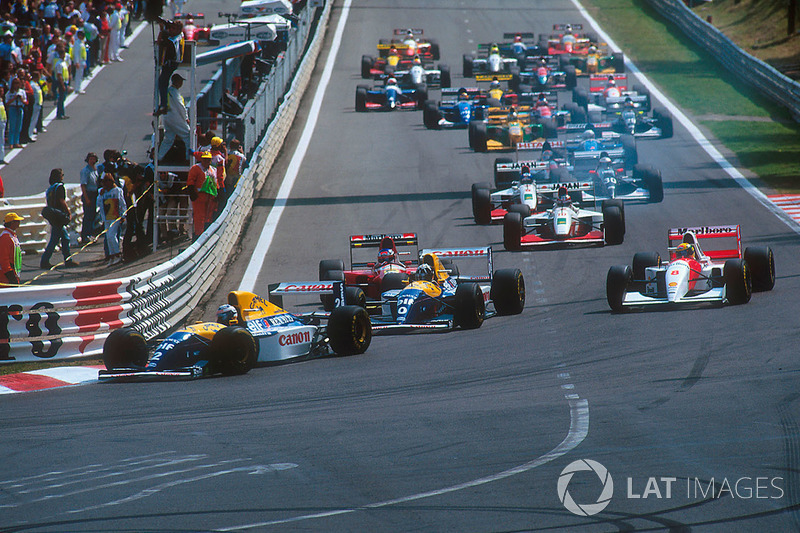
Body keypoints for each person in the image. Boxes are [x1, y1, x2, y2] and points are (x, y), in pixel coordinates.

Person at [41, 168, 76, 269]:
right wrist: (68, 212)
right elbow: (62, 200)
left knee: (65, 238)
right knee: (55, 239)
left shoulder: (50, 189)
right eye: (62, 175)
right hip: (59, 215)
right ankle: (45, 261)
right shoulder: (60, 187)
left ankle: (68, 259)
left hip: (52, 215)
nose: (63, 177)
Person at [186, 151, 220, 239]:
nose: (206, 161)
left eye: (208, 159)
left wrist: (216, 195)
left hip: (211, 197)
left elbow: (215, 183)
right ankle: (198, 236)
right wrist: (193, 194)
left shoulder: (213, 169)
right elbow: (190, 182)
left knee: (209, 216)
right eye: (204, 159)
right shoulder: (196, 168)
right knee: (199, 217)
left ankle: (207, 234)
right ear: (201, 159)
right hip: (199, 197)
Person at [157, 72, 191, 162]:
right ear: (177, 81)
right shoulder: (174, 92)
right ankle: (189, 158)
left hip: (167, 118)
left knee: (168, 138)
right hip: (175, 117)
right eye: (180, 81)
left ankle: (159, 157)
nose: (181, 83)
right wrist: (186, 117)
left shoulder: (168, 91)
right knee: (188, 135)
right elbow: (180, 106)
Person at [96, 171, 126, 265]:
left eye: (109, 181)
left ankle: (117, 254)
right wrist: (100, 194)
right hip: (106, 218)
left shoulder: (118, 190)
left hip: (115, 216)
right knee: (108, 237)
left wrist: (123, 215)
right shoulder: (101, 191)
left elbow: (122, 203)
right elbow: (98, 204)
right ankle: (112, 256)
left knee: (111, 235)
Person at [156, 19, 184, 113]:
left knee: (162, 82)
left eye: (173, 28)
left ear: (178, 30)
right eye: (170, 28)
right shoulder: (179, 36)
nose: (171, 30)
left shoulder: (173, 40)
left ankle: (164, 105)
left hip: (171, 63)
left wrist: (162, 30)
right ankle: (164, 104)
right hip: (173, 62)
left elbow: (160, 42)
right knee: (162, 81)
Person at [80, 152, 100, 244]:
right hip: (88, 194)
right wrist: (86, 198)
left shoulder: (95, 170)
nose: (92, 161)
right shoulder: (85, 171)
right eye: (91, 159)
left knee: (93, 215)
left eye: (94, 159)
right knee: (88, 215)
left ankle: (91, 233)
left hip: (95, 194)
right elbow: (83, 185)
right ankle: (85, 235)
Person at [0, 212, 23, 287]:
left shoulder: (12, 235)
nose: (19, 223)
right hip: (6, 275)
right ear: (12, 223)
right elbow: (3, 258)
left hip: (13, 272)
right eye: (17, 221)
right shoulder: (6, 237)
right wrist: (10, 275)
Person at [5, 77, 26, 148]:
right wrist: (14, 98)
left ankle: (16, 142)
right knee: (12, 126)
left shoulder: (22, 92)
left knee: (18, 126)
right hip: (13, 108)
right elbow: (7, 102)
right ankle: (11, 142)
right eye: (15, 83)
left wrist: (21, 99)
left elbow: (26, 102)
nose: (16, 85)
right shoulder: (10, 92)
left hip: (19, 108)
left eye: (18, 83)